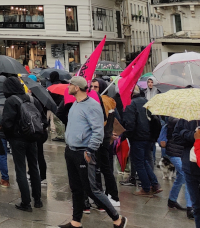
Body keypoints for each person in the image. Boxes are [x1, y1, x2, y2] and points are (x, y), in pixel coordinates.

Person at [58, 76, 127, 228]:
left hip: (84, 151)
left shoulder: (92, 106)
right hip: (71, 150)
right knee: (75, 188)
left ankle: (118, 219)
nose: (68, 86)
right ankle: (76, 222)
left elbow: (98, 132)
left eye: (70, 84)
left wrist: (90, 150)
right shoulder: (75, 103)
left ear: (77, 87)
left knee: (92, 189)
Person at [1, 75, 44, 211]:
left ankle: (26, 202)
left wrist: (8, 135)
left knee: (20, 169)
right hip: (32, 138)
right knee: (33, 167)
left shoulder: (11, 101)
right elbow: (41, 119)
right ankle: (38, 199)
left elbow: (7, 123)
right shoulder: (32, 99)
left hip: (17, 139)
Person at [122, 85, 162, 196]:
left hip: (138, 137)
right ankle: (155, 184)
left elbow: (130, 124)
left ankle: (146, 187)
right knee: (144, 161)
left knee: (139, 163)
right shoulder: (146, 101)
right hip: (149, 137)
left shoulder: (131, 104)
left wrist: (124, 136)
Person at [90, 78, 121, 207]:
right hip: (106, 139)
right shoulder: (109, 101)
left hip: (101, 140)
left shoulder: (103, 101)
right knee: (105, 168)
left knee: (101, 169)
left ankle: (108, 196)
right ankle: (109, 194)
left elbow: (102, 122)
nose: (92, 89)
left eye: (95, 87)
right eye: (91, 86)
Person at [165, 117, 194, 217]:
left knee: (181, 176)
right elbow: (175, 137)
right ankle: (190, 207)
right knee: (185, 176)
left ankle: (172, 200)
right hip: (176, 153)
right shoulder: (178, 121)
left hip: (181, 153)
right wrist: (192, 135)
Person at [174, 118, 200, 226]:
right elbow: (176, 136)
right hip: (190, 166)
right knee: (197, 206)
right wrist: (193, 135)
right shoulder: (186, 117)